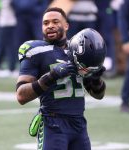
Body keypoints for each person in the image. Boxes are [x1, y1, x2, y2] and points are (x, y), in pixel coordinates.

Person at [16, 7, 106, 150]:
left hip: (79, 124)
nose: (50, 26)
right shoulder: (36, 51)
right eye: (45, 23)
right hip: (52, 123)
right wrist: (52, 76)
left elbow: (98, 95)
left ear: (66, 25)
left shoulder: (78, 50)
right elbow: (21, 95)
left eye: (55, 22)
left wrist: (95, 78)